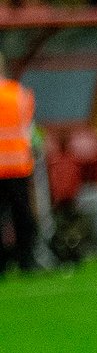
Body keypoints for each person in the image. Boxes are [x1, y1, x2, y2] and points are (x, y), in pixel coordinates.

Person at [0, 53, 37, 277]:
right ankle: (26, 260)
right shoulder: (21, 94)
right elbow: (30, 131)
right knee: (22, 216)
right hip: (19, 166)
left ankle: (2, 264)